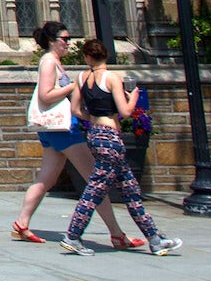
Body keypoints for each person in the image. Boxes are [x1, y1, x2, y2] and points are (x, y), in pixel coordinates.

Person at [12, 22, 134, 246]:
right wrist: (75, 85)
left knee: (45, 180)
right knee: (95, 180)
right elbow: (46, 96)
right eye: (65, 39)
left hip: (53, 130)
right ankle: (117, 234)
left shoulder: (54, 62)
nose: (69, 43)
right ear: (52, 41)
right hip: (63, 129)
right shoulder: (49, 62)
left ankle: (22, 223)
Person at [61, 39, 181, 256]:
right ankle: (72, 235)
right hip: (111, 138)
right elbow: (125, 112)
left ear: (87, 57)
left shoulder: (81, 78)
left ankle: (154, 238)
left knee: (130, 189)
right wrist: (133, 97)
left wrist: (93, 117)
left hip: (95, 134)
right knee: (95, 189)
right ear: (105, 55)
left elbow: (75, 109)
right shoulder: (112, 78)